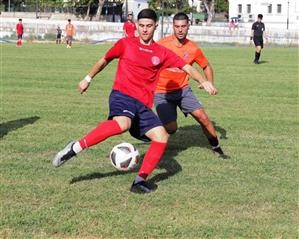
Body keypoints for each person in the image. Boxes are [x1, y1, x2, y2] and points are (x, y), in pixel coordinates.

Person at [52, 8, 217, 194]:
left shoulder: (161, 52)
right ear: (136, 26)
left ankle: (139, 181)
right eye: (141, 26)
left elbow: (187, 67)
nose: (144, 30)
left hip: (143, 105)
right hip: (122, 95)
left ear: (155, 26)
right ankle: (74, 147)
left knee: (162, 136)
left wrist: (203, 81)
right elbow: (104, 60)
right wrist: (87, 79)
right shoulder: (125, 44)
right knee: (122, 123)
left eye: (148, 26)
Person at [155, 12, 227, 159]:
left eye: (183, 26)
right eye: (177, 27)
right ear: (172, 27)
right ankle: (149, 131)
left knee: (203, 117)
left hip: (183, 90)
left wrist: (209, 82)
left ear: (188, 26)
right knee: (172, 128)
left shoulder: (193, 48)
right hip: (162, 92)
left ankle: (216, 147)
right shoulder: (161, 44)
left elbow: (206, 66)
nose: (180, 30)